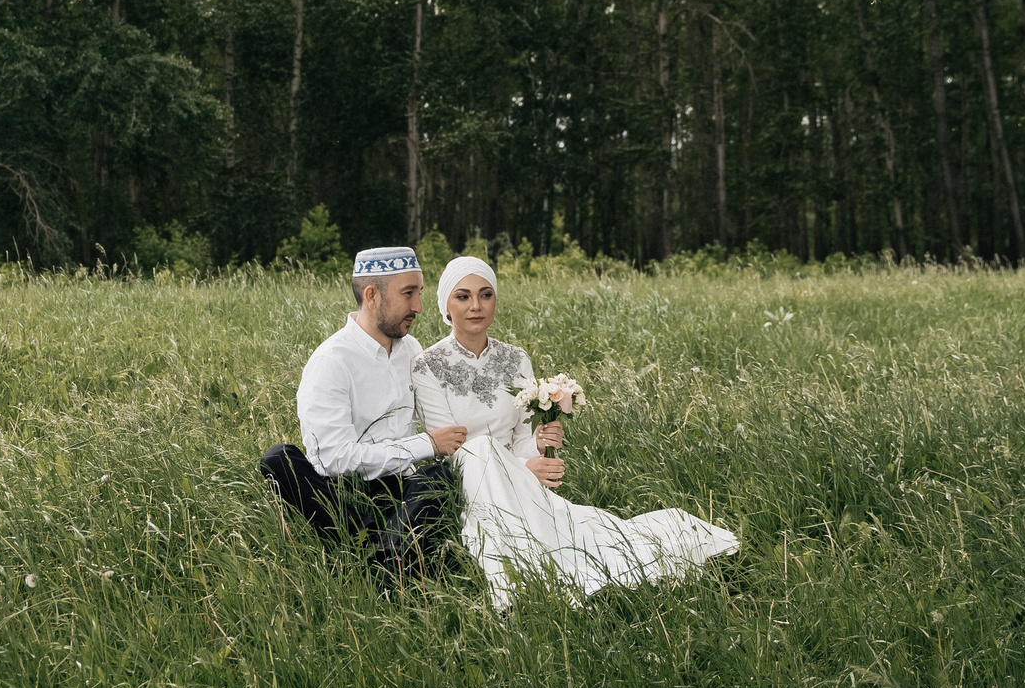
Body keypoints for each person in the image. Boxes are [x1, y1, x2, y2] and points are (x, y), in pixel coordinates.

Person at [414, 253, 740, 607]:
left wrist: (538, 450)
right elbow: (449, 447)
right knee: (480, 450)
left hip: (515, 471)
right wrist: (522, 469)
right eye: (463, 297)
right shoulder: (427, 365)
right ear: (446, 305)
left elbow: (522, 436)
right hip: (469, 476)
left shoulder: (515, 358)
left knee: (583, 527)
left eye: (486, 294)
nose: (476, 306)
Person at [260, 246, 468, 590]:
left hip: (404, 490)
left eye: (419, 292)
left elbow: (445, 415)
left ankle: (384, 562)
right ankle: (391, 555)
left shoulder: (412, 350)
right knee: (278, 459)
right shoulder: (332, 361)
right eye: (408, 294)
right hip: (346, 494)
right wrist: (426, 444)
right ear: (372, 296)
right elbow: (333, 459)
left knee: (436, 477)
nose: (418, 306)